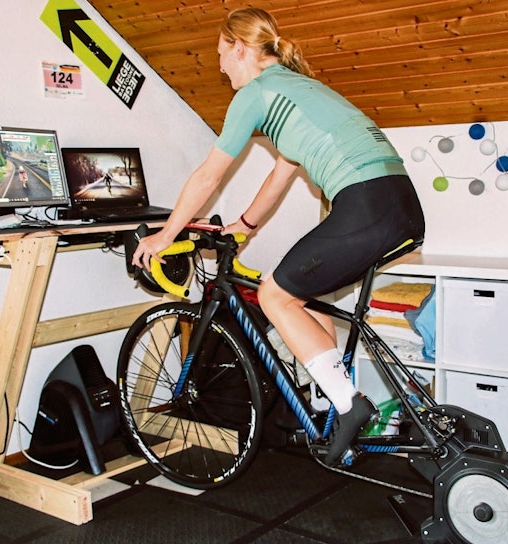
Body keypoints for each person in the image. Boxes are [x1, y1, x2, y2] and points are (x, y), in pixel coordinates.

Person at [133, 7, 425, 465]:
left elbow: (209, 176)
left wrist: (165, 235)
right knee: (304, 297)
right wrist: (244, 226)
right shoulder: (297, 88)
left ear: (240, 48)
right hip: (399, 205)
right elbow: (281, 174)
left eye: (221, 55)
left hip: (366, 203)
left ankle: (350, 405)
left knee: (274, 295)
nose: (220, 67)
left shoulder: (257, 92)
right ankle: (331, 406)